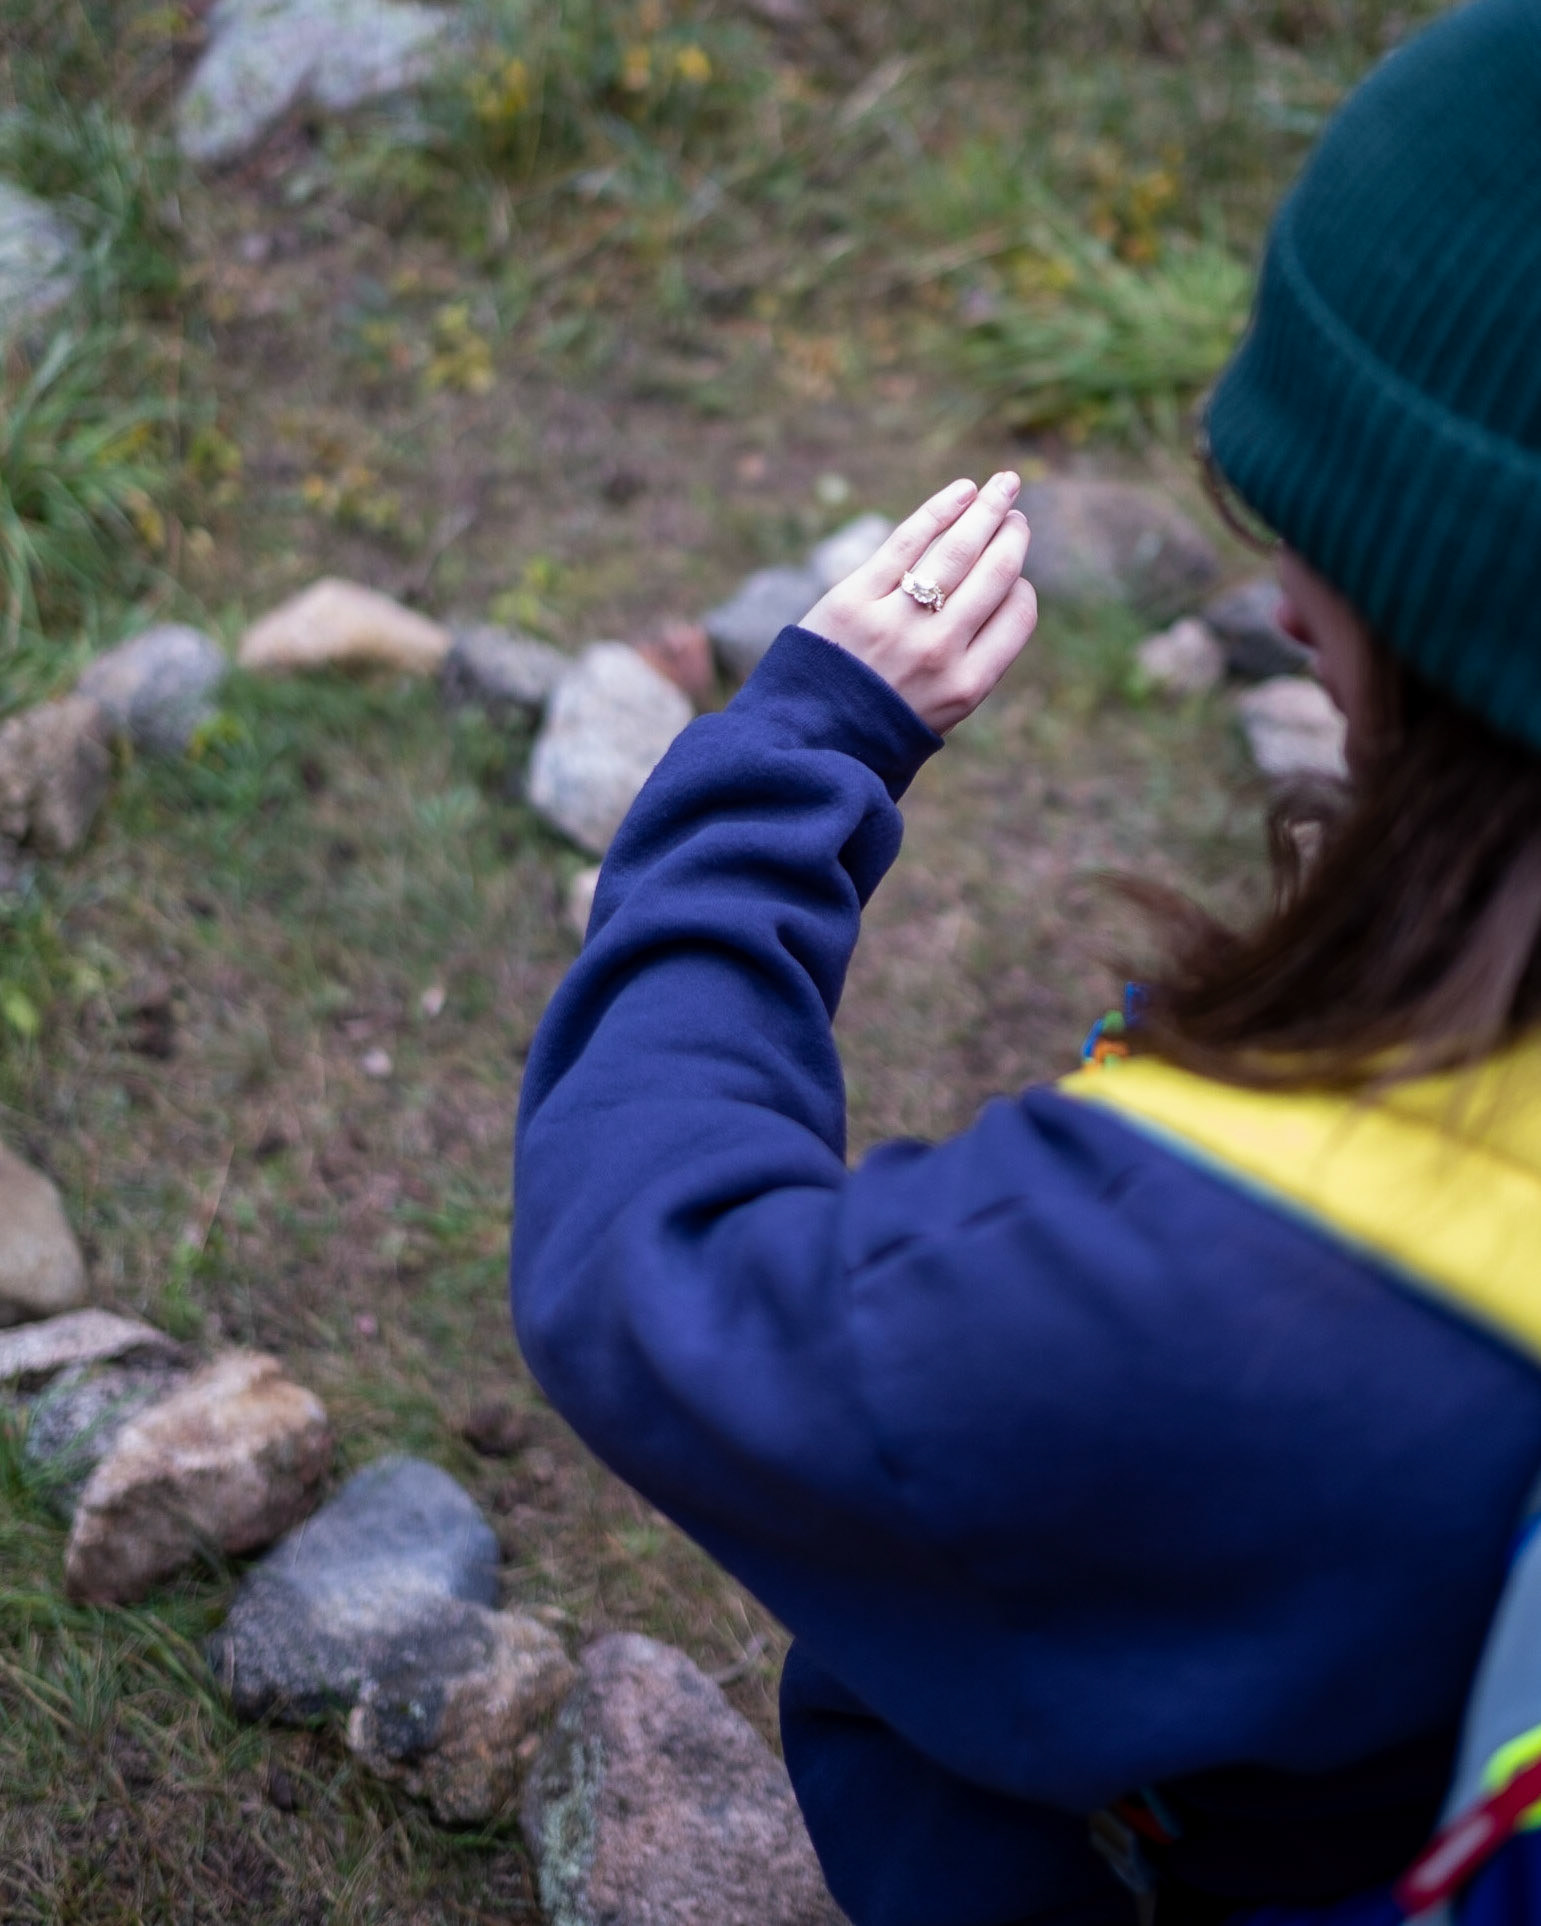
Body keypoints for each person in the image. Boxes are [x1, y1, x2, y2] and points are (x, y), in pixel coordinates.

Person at [511, 1, 1541, 1920]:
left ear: (1464, 596)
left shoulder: (1204, 1295)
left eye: (1315, 526)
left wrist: (795, 750)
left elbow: (657, 1279)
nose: (1282, 592)